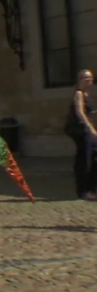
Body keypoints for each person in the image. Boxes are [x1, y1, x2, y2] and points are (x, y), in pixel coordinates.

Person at [66, 69, 97, 201]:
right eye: (86, 78)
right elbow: (80, 113)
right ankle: (83, 191)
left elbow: (91, 113)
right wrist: (91, 128)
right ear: (80, 80)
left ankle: (92, 187)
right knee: (84, 159)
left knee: (94, 156)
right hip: (81, 130)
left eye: (91, 78)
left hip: (87, 130)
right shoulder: (79, 94)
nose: (89, 81)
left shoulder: (86, 94)